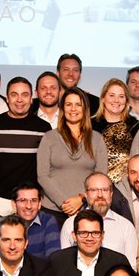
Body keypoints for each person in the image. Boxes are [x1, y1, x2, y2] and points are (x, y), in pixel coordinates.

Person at [0, 77, 51, 216]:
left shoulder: (43, 128)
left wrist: (40, 198)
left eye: (24, 95)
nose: (19, 100)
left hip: (29, 201)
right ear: (7, 98)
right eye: (14, 95)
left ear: (31, 99)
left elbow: (48, 168)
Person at [37, 87, 107, 221]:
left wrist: (82, 199)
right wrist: (65, 204)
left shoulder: (97, 138)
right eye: (69, 104)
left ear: (85, 108)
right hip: (53, 211)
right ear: (63, 108)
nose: (73, 109)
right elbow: (42, 176)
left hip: (86, 209)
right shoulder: (49, 137)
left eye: (78, 104)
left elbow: (101, 176)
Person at [59, 172, 138, 266]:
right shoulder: (70, 224)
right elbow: (65, 264)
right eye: (94, 190)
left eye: (104, 190)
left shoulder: (126, 227)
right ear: (86, 194)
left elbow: (131, 267)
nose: (100, 195)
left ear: (111, 194)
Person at [0, 182, 61, 261]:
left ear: (39, 203)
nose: (29, 206)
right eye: (23, 200)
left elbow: (53, 258)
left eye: (34, 201)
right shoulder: (2, 225)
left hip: (41, 269)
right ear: (14, 204)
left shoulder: (47, 221)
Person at [92, 78, 139, 185]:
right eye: (112, 95)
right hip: (94, 188)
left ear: (126, 101)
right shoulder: (89, 126)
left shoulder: (135, 127)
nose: (116, 100)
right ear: (103, 98)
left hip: (126, 189)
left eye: (121, 96)